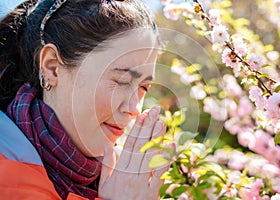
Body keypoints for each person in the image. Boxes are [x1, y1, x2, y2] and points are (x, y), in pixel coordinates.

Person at [0, 0, 170, 199]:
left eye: (143, 88)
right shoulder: (7, 169)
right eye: (121, 81)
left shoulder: (129, 182)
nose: (134, 108)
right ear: (52, 67)